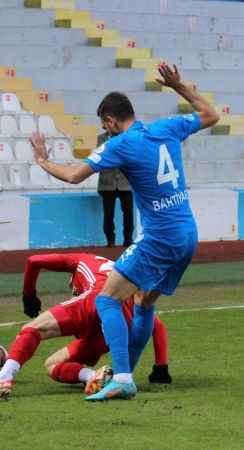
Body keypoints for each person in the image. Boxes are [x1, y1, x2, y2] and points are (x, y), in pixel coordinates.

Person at [29, 62, 219, 401]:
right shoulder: (167, 127)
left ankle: (122, 378)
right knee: (144, 301)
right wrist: (178, 86)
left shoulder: (121, 143)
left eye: (106, 125)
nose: (108, 130)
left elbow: (74, 175)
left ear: (109, 121)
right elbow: (211, 115)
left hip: (159, 237)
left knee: (107, 299)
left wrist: (43, 161)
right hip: (188, 233)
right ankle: (126, 374)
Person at [0, 253, 171, 398]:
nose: (72, 290)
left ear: (73, 278)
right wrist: (161, 366)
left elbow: (33, 261)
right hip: (113, 328)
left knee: (32, 329)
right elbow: (155, 323)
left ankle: (2, 378)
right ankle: (96, 376)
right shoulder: (122, 278)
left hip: (95, 300)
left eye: (71, 286)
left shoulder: (81, 262)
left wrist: (28, 295)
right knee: (52, 365)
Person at [97, 132, 134, 247]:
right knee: (108, 214)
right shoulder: (101, 138)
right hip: (107, 183)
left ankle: (128, 239)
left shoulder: (128, 136)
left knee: (128, 213)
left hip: (125, 182)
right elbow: (101, 156)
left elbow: (129, 156)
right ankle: (110, 241)